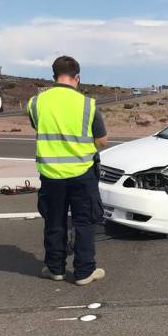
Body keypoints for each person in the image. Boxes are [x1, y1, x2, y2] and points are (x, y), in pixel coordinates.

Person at [27, 56, 108, 286]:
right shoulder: (88, 104)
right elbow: (102, 140)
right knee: (84, 222)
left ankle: (55, 269)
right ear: (77, 77)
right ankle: (84, 272)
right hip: (82, 174)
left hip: (51, 175)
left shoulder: (35, 103)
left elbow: (38, 126)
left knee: (54, 222)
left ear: (54, 76)